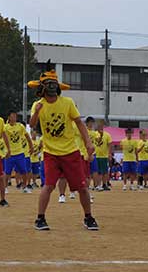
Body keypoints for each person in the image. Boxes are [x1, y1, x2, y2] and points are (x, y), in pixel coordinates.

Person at [28, 62, 98, 230]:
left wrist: (88, 142)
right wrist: (37, 111)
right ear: (42, 88)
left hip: (70, 151)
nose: (51, 88)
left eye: (54, 85)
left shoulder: (67, 102)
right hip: (50, 152)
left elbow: (80, 124)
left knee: (81, 186)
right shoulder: (38, 104)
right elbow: (32, 124)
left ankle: (88, 217)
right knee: (49, 185)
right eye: (48, 85)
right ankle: (40, 218)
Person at [4, 111, 33, 194]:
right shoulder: (5, 127)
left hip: (20, 153)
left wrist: (31, 147)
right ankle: (5, 187)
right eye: (12, 116)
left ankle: (24, 186)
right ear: (9, 117)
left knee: (24, 171)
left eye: (15, 116)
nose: (14, 118)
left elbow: (27, 137)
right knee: (7, 172)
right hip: (9, 154)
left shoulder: (20, 126)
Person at [93, 120, 112, 191]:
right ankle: (97, 185)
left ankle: (104, 184)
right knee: (97, 171)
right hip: (96, 155)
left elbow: (110, 145)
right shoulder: (94, 134)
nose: (100, 127)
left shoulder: (107, 135)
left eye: (101, 125)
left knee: (105, 171)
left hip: (104, 156)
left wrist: (109, 154)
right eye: (99, 126)